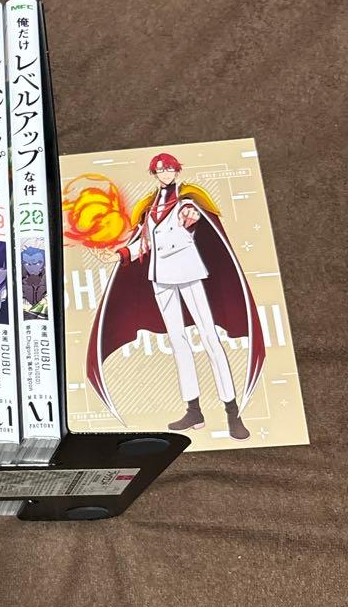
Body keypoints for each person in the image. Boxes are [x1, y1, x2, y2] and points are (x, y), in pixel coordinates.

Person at [89, 152, 264, 440]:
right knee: (178, 342)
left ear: (176, 171)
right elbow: (143, 243)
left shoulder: (186, 200)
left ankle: (232, 412)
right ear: (154, 174)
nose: (166, 174)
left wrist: (190, 215)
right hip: (160, 278)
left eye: (170, 169)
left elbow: (192, 216)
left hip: (187, 273)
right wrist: (117, 255)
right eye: (160, 170)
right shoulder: (149, 207)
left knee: (209, 337)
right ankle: (193, 410)